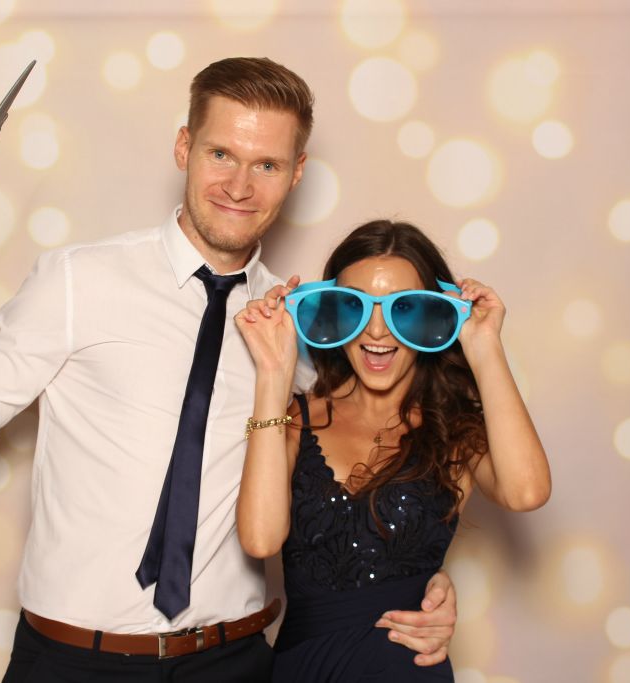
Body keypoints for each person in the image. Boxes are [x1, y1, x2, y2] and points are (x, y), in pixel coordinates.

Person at [0, 58, 459, 682]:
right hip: (74, 663)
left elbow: (358, 463)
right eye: (221, 154)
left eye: (266, 164)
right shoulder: (77, 281)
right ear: (184, 147)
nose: (239, 186)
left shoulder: (299, 320)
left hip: (234, 661)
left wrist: (421, 582)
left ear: (297, 173)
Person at [235, 220, 552, 681]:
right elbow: (260, 539)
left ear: (432, 315)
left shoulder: (455, 428)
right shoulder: (295, 418)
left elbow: (527, 492)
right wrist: (273, 373)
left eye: (403, 308)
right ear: (334, 313)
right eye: (356, 305)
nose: (378, 330)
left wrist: (485, 346)